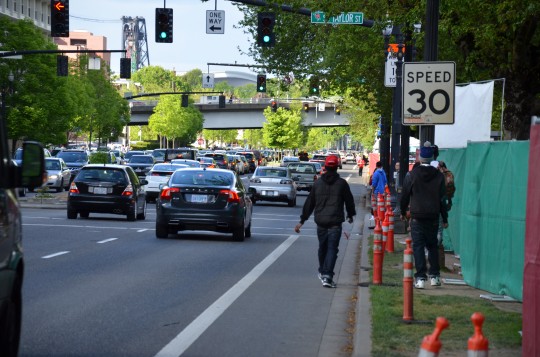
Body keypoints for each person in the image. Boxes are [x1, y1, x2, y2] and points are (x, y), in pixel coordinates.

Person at [294, 155, 356, 288]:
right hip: (335, 222)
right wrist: (350, 215)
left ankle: (323, 271)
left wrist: (302, 221)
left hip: (321, 222)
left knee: (323, 247)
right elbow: (349, 202)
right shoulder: (342, 184)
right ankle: (327, 275)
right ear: (337, 167)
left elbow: (309, 203)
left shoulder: (318, 184)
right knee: (332, 249)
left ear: (325, 167)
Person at [399, 142, 448, 289]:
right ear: (433, 157)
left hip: (417, 216)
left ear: (420, 158)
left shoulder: (411, 174)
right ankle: (435, 276)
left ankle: (420, 278)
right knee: (432, 245)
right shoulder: (439, 176)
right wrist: (444, 218)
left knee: (418, 247)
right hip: (433, 216)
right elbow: (442, 200)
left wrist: (402, 212)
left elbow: (405, 195)